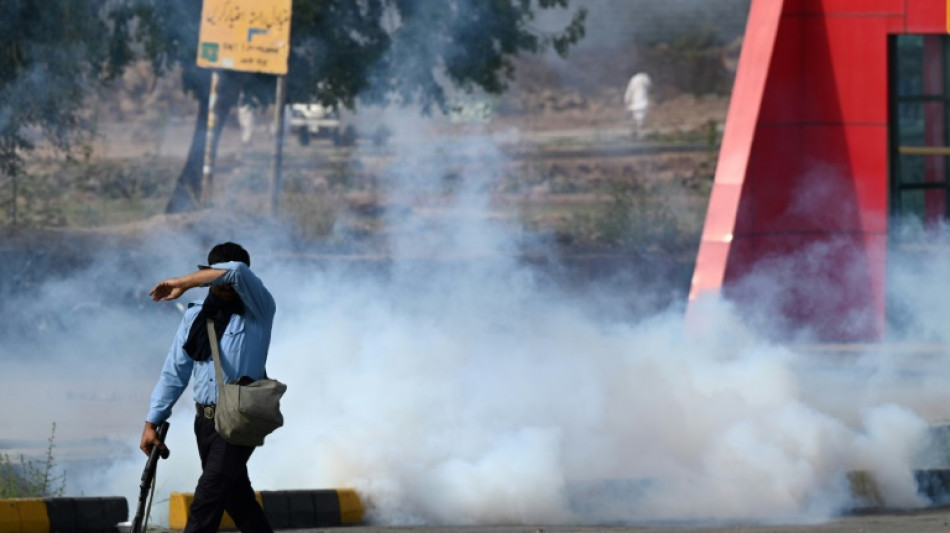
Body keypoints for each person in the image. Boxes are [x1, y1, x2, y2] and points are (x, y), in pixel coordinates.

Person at [139, 242, 276, 533]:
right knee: (237, 500)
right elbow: (174, 372)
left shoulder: (260, 310)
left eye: (228, 281)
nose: (226, 285)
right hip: (205, 421)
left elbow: (235, 270)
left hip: (240, 418)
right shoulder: (195, 317)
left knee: (207, 499)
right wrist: (153, 421)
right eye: (217, 279)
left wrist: (182, 283)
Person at [623, 72, 652, 138]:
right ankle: (638, 130)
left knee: (638, 117)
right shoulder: (646, 78)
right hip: (642, 102)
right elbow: (650, 88)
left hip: (638, 102)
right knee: (640, 117)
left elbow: (629, 91)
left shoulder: (634, 79)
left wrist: (627, 100)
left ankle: (638, 131)